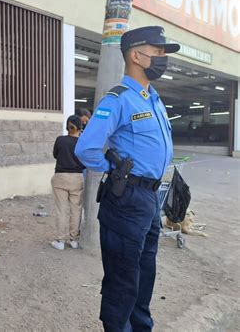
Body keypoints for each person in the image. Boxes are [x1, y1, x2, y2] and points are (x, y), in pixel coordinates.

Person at [75, 26, 178, 331]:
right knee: (123, 280)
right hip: (127, 199)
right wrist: (114, 169)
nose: (162, 59)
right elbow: (87, 148)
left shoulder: (152, 99)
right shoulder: (118, 99)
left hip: (149, 198)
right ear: (136, 55)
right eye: (158, 52)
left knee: (144, 275)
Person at [51, 115, 85, 250]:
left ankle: (60, 241)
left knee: (61, 210)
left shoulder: (60, 140)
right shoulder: (83, 142)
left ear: (67, 126)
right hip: (77, 178)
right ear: (80, 127)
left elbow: (55, 155)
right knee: (76, 209)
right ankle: (74, 240)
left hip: (60, 177)